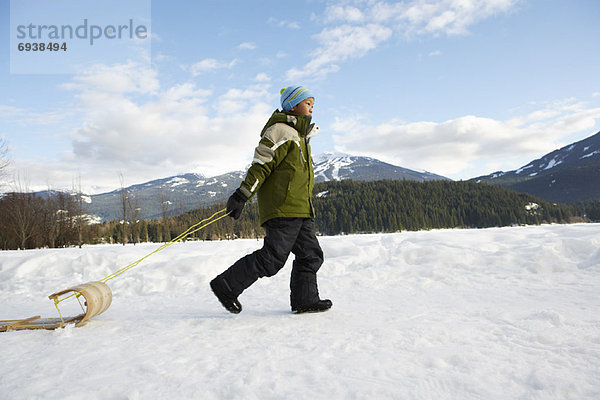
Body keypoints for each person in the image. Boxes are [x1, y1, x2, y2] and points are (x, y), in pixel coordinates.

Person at [210, 86, 332, 314]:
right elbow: (261, 166)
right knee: (273, 258)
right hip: (283, 208)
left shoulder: (301, 137)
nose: (312, 109)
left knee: (311, 254)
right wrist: (242, 194)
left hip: (301, 210)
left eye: (313, 105)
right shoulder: (280, 131)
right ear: (293, 106)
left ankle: (305, 299)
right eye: (308, 104)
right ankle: (226, 285)